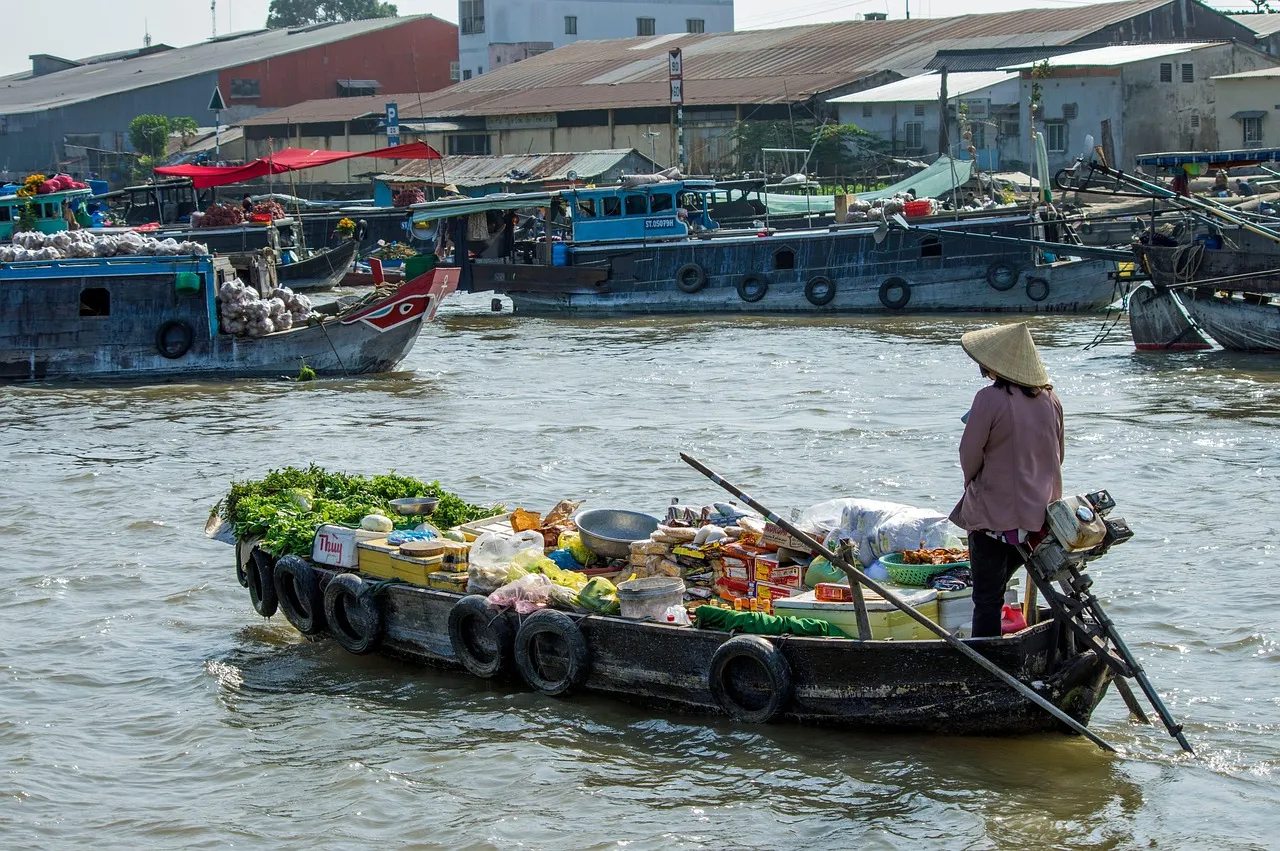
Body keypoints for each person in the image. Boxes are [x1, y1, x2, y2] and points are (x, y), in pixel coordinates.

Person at [949, 323, 1063, 638]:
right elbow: (1059, 455)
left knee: (986, 599)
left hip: (995, 518)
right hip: (1040, 516)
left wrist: (972, 484)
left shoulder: (989, 398)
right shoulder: (1050, 399)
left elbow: (969, 454)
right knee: (1011, 586)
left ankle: (987, 663)